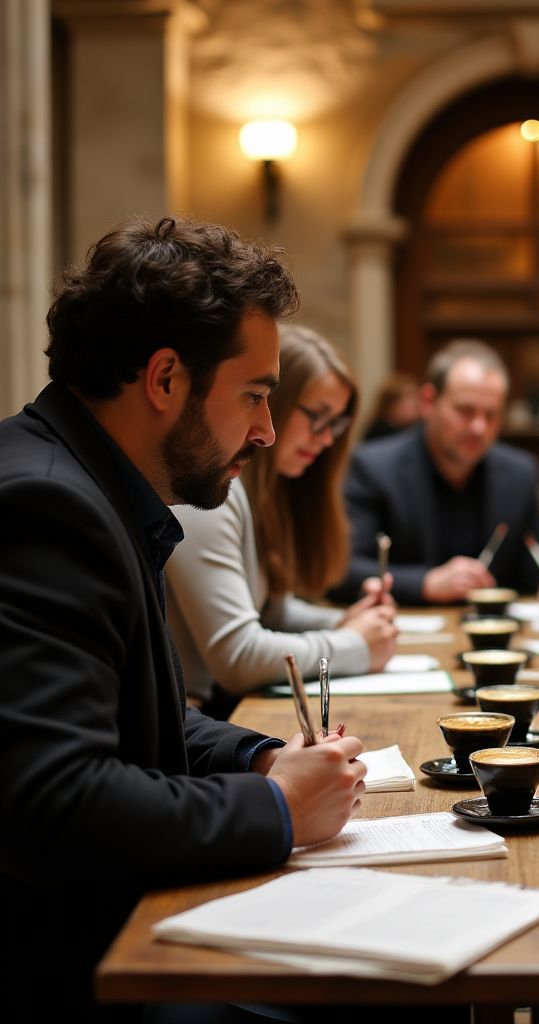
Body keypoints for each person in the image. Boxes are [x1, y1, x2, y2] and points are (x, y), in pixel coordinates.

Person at [0, 217, 367, 1019]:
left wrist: (262, 757)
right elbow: (53, 804)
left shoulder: (83, 485)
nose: (268, 431)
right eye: (257, 396)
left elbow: (138, 716)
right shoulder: (47, 508)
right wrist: (278, 811)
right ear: (165, 379)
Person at [167, 324, 398, 718]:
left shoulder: (264, 493)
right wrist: (354, 645)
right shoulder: (210, 496)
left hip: (215, 714)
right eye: (318, 418)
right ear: (274, 402)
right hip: (193, 720)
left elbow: (272, 613)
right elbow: (239, 656)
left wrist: (347, 619)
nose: (326, 440)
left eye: (337, 424)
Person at [330, 339, 539, 605]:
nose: (479, 427)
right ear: (429, 402)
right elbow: (339, 572)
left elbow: (535, 578)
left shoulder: (520, 474)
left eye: (491, 415)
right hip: (406, 633)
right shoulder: (372, 467)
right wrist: (425, 582)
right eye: (465, 411)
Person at [361, 371, 421, 441]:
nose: (416, 403)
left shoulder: (411, 429)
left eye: (416, 397)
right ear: (391, 405)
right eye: (409, 397)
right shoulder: (380, 433)